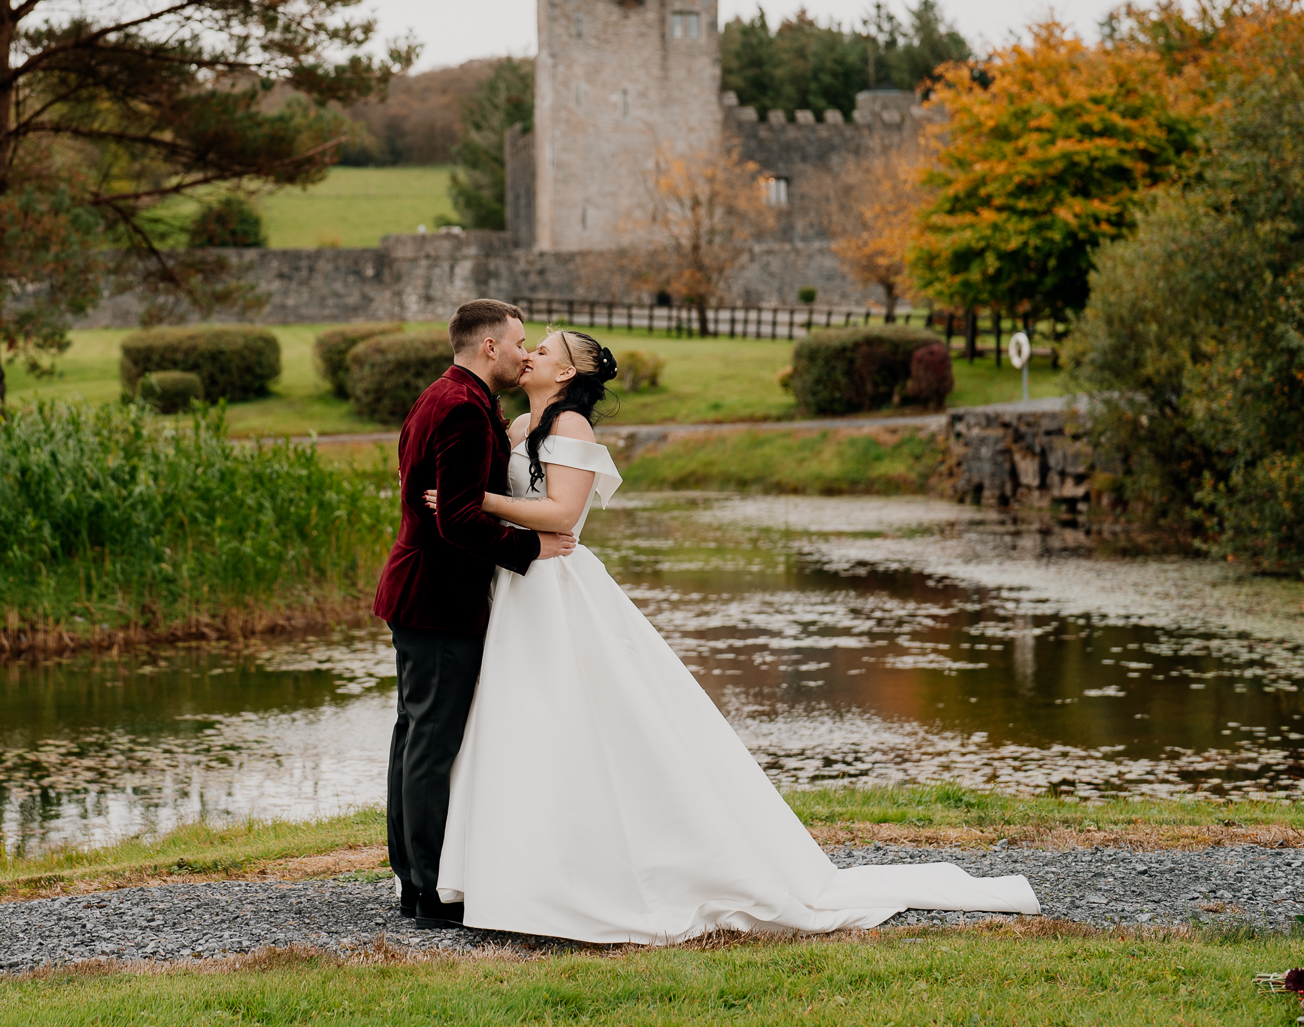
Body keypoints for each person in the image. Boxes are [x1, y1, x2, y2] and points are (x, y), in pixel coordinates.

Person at [424, 327, 1041, 943]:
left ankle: (599, 875)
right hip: (521, 590)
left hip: (560, 586)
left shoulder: (571, 430)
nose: (528, 354)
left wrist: (478, 500)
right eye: (526, 346)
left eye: (543, 350)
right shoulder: (515, 431)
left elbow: (561, 516)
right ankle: (521, 873)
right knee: (525, 721)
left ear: (563, 375)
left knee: (584, 717)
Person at [371, 299, 577, 929]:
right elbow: (456, 518)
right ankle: (429, 888)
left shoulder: (446, 394)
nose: (524, 352)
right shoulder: (462, 408)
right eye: (519, 342)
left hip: (422, 592)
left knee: (415, 733)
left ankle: (413, 876)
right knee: (430, 740)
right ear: (490, 346)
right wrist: (530, 547)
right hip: (439, 596)